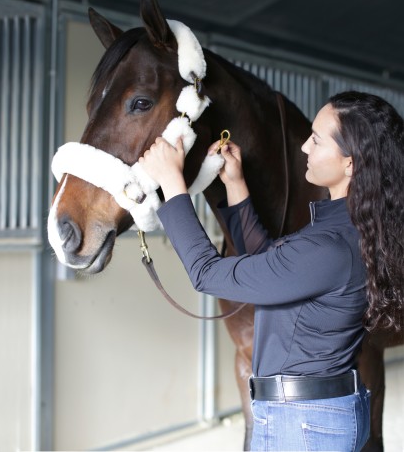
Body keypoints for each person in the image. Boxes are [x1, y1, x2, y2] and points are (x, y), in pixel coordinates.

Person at [139, 91, 404, 452]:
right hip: (315, 418)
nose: (305, 148)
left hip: (303, 425)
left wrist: (173, 184)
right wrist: (235, 184)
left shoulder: (329, 247)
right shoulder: (348, 231)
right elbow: (270, 262)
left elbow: (207, 273)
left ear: (350, 163)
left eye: (316, 139)